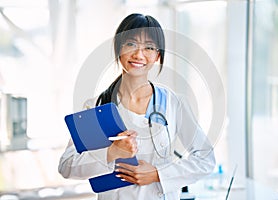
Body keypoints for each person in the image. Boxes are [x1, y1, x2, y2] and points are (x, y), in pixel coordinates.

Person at [58, 13, 215, 200]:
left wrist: (157, 174)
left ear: (157, 55)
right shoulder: (96, 107)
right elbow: (67, 166)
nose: (139, 55)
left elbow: (206, 159)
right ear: (118, 48)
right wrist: (112, 152)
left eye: (149, 47)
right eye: (131, 44)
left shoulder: (174, 103)